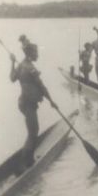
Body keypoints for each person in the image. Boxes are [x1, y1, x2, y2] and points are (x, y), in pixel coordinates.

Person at [10, 35, 58, 174]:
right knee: (33, 133)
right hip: (28, 104)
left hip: (24, 103)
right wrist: (52, 101)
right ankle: (23, 165)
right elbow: (42, 86)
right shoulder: (30, 68)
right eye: (36, 53)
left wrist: (13, 63)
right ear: (30, 53)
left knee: (33, 131)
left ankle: (29, 160)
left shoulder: (21, 65)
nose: (38, 55)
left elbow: (12, 78)